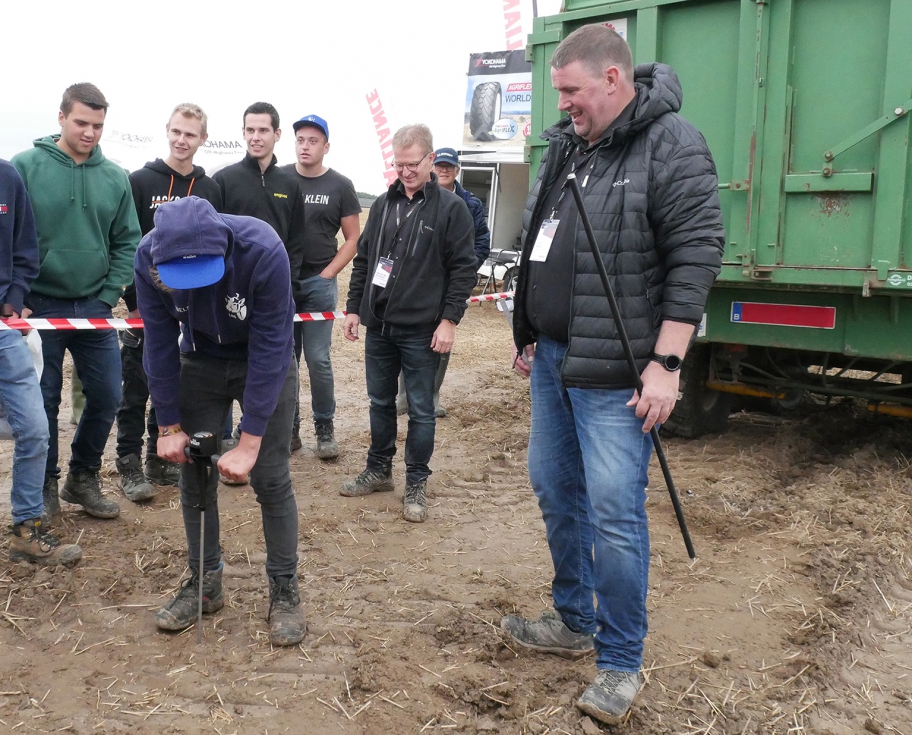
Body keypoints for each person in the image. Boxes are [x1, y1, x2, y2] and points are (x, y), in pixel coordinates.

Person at [500, 25, 724, 725]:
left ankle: (621, 661)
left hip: (619, 373)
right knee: (553, 487)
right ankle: (574, 617)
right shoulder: (569, 146)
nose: (562, 103)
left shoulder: (671, 143)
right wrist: (528, 328)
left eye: (571, 91)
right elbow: (542, 235)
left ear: (614, 81)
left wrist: (666, 363)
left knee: (615, 516)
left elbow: (697, 253)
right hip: (555, 361)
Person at [135, 196, 305, 646]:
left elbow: (272, 348)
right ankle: (204, 583)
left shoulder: (263, 250)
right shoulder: (148, 256)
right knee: (195, 474)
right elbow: (158, 341)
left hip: (260, 358)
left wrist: (248, 441)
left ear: (223, 246)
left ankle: (284, 589)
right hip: (201, 360)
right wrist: (168, 425)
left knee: (269, 476)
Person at [12, 83, 141, 522]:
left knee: (107, 395)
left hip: (93, 307)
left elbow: (128, 241)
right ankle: (44, 483)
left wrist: (108, 296)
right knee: (42, 400)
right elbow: (6, 238)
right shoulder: (24, 168)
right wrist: (16, 296)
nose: (90, 133)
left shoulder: (115, 177)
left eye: (98, 125)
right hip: (37, 306)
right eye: (82, 123)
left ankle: (81, 477)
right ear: (62, 117)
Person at [341, 124, 476, 523]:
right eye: (398, 164)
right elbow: (365, 259)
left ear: (431, 160)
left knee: (420, 410)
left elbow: (463, 271)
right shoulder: (383, 205)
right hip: (380, 327)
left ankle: (416, 481)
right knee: (380, 402)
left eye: (412, 164)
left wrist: (449, 320)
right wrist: (353, 308)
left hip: (423, 331)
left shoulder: (452, 210)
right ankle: (379, 469)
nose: (404, 171)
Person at [115, 103, 223, 502]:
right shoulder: (141, 181)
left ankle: (155, 456)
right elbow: (127, 239)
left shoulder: (210, 190)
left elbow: (215, 248)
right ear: (167, 131)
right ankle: (127, 462)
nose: (182, 140)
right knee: (137, 383)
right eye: (177, 132)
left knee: (171, 382)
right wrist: (132, 300)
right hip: (147, 303)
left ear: (202, 140)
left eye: (190, 134)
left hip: (192, 306)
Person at [213, 102, 306, 479]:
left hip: (274, 300)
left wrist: (290, 288)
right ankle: (223, 448)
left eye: (263, 130)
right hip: (231, 297)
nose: (255, 137)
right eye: (249, 130)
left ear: (276, 135)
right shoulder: (224, 180)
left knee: (270, 369)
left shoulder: (289, 184)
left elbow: (296, 243)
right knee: (226, 370)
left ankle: (258, 446)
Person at [0, 160, 82, 565]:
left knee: (34, 428)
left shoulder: (7, 178)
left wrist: (13, 299)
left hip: (3, 329)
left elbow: (24, 247)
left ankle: (26, 531)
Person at [280, 115, 361, 458]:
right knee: (286, 361)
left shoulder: (340, 185)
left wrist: (328, 274)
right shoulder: (279, 179)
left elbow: (354, 237)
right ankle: (290, 429)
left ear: (325, 146)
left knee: (317, 359)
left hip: (318, 285)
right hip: (282, 284)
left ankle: (324, 428)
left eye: (313, 140)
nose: (305, 146)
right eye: (300, 139)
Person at [397, 147, 491, 418]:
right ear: (431, 166)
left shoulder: (470, 203)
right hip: (418, 281)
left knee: (442, 339)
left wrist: (464, 268)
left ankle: (432, 395)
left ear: (457, 170)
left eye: (449, 166)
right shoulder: (418, 196)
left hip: (450, 284)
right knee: (409, 336)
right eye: (440, 165)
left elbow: (482, 240)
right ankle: (403, 396)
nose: (444, 170)